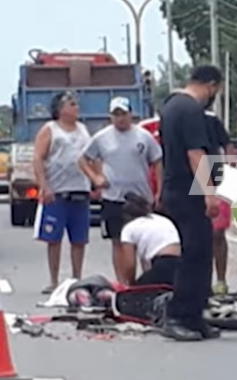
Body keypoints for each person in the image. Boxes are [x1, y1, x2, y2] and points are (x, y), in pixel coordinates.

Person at [157, 65, 223, 341]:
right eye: (215, 91)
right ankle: (179, 315)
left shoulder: (170, 106)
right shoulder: (191, 110)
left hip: (176, 189)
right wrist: (209, 192)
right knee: (194, 255)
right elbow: (195, 154)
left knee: (200, 252)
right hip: (189, 191)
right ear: (210, 85)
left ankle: (195, 316)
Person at [78, 97, 163, 286]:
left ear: (130, 114)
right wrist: (95, 178)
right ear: (111, 117)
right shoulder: (102, 138)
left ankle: (148, 281)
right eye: (116, 115)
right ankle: (123, 283)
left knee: (145, 240)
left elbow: (157, 161)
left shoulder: (143, 136)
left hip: (140, 198)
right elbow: (83, 159)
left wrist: (159, 191)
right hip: (113, 197)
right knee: (118, 241)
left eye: (123, 114)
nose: (120, 119)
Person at [33, 91, 92, 294]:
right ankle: (54, 280)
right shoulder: (50, 129)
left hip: (80, 189)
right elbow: (39, 158)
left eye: (76, 103)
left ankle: (77, 278)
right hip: (57, 191)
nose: (76, 107)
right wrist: (44, 186)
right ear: (60, 109)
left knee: (79, 238)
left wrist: (95, 181)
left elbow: (92, 156)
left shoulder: (83, 129)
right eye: (72, 104)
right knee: (54, 238)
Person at [117, 193, 180, 286]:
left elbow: (130, 266)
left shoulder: (129, 228)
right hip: (180, 264)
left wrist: (130, 284)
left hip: (162, 264)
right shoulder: (162, 219)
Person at [204, 109, 233, 295]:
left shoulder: (211, 119)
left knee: (217, 232)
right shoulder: (180, 115)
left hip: (214, 172)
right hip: (187, 174)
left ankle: (221, 280)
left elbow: (227, 145)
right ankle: (199, 281)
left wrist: (229, 170)